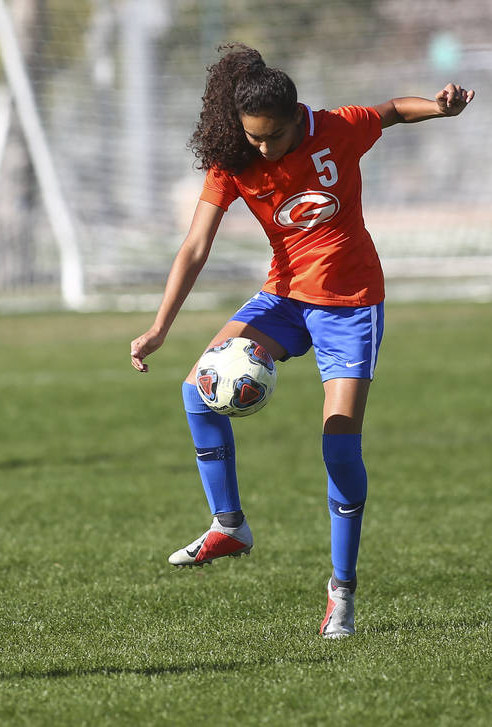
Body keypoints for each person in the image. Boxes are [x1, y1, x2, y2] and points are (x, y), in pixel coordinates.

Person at [128, 44, 473, 639]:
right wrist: (160, 326)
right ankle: (230, 525)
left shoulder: (337, 129)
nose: (264, 148)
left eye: (275, 136)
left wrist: (440, 109)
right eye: (253, 137)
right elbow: (195, 247)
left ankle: (341, 594)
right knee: (196, 390)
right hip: (284, 298)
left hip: (351, 303)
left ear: (298, 115)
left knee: (339, 448)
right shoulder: (234, 160)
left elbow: (391, 110)